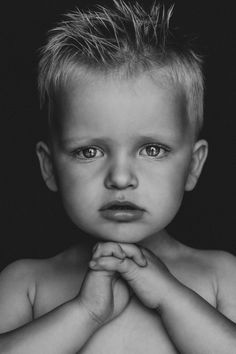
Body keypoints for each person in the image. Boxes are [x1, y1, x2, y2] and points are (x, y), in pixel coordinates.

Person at [0, 1, 236, 353]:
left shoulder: (221, 274)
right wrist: (84, 313)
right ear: (49, 167)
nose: (121, 178)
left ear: (193, 165)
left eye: (152, 149)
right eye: (89, 151)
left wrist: (171, 298)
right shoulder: (27, 282)